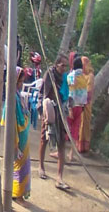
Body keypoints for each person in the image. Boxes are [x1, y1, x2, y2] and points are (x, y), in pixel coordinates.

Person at [38, 54, 70, 190]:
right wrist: (43, 111)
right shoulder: (49, 75)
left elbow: (67, 95)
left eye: (66, 66)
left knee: (62, 142)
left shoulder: (65, 78)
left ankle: (59, 177)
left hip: (61, 112)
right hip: (50, 110)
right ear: (56, 65)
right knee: (44, 139)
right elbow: (43, 94)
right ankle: (41, 166)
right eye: (62, 65)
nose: (64, 68)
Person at [1, 66, 32, 201]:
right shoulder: (12, 98)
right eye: (19, 82)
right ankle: (17, 194)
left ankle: (19, 194)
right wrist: (15, 143)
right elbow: (11, 122)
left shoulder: (18, 95)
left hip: (24, 135)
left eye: (22, 82)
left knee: (24, 166)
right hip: (17, 137)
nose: (21, 84)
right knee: (19, 167)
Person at [66, 55, 88, 162]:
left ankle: (60, 151)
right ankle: (71, 154)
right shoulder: (84, 78)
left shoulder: (71, 75)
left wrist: (70, 107)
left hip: (71, 105)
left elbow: (71, 92)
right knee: (75, 130)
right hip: (80, 106)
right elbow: (85, 94)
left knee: (65, 128)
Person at [77, 56, 95, 153]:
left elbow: (89, 91)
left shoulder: (90, 76)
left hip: (86, 103)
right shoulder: (80, 74)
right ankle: (78, 145)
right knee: (79, 123)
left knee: (84, 124)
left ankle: (84, 147)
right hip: (78, 102)